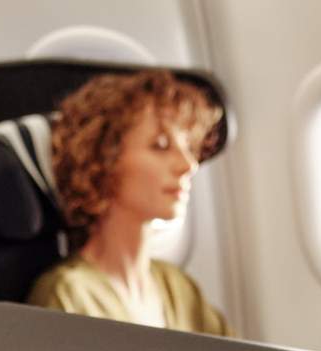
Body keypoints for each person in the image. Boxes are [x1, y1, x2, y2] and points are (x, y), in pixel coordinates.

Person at [26, 69, 229, 335]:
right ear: (103, 161)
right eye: (160, 145)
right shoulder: (68, 295)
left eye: (188, 147)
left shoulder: (177, 287)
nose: (188, 164)